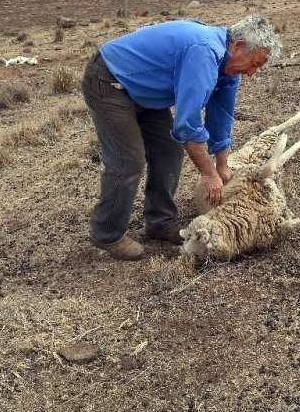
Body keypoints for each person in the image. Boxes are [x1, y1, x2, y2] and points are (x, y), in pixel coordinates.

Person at [80, 14, 281, 261]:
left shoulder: (228, 67)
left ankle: (159, 222)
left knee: (169, 150)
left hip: (145, 91)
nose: (251, 73)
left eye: (257, 68)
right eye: (253, 63)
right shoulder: (204, 52)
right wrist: (208, 174)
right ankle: (107, 234)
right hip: (110, 80)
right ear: (237, 46)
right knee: (128, 160)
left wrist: (222, 166)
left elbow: (221, 115)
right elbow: (187, 123)